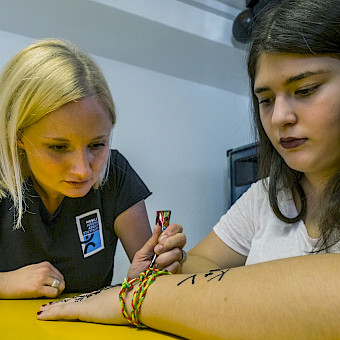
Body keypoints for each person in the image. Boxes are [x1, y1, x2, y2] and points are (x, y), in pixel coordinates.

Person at [37, 0, 340, 338]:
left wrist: (134, 298)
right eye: (266, 100)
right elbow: (197, 264)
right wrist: (172, 262)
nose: (280, 117)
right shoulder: (266, 195)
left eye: (306, 90)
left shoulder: (118, 176)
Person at [0, 39, 186, 299]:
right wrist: (4, 283)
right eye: (58, 147)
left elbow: (152, 278)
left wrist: (147, 280)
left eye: (97, 144)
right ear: (17, 135)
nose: (83, 171)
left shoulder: (116, 174)